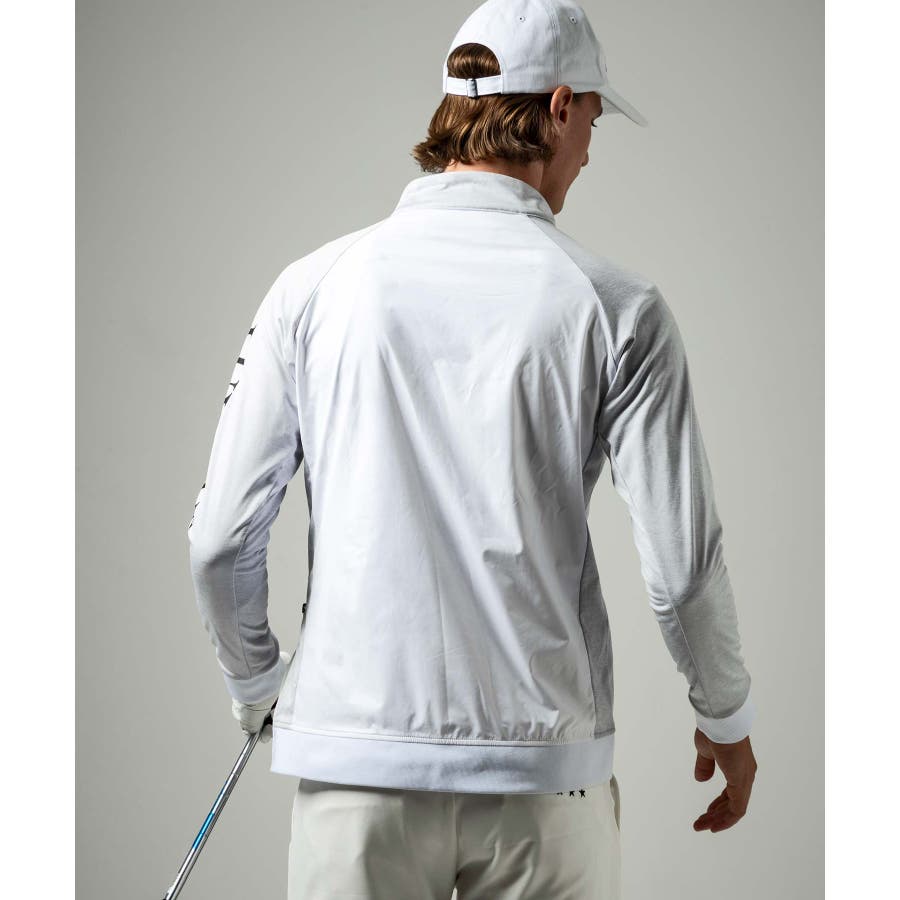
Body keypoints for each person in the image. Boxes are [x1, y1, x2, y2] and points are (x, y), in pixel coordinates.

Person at [187, 1, 758, 897]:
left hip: (356, 774)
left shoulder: (312, 289)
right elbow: (684, 569)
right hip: (546, 781)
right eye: (594, 118)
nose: (591, 149)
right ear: (560, 108)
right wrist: (725, 715)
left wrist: (259, 687)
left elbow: (220, 542)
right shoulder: (617, 307)